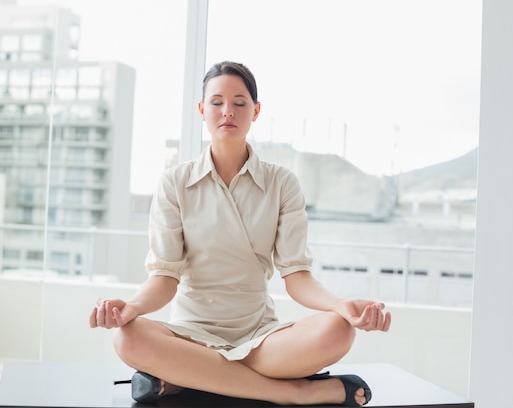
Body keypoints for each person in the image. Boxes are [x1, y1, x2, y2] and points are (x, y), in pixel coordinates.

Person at [89, 61, 391, 407]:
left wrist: (341, 306)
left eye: (239, 102)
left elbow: (297, 277)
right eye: (216, 102)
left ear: (256, 111)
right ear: (202, 111)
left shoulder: (282, 183)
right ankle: (293, 392)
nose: (227, 111)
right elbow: (164, 278)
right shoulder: (175, 182)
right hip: (191, 335)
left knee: (338, 330)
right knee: (126, 339)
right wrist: (130, 307)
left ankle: (188, 378)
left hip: (261, 338)